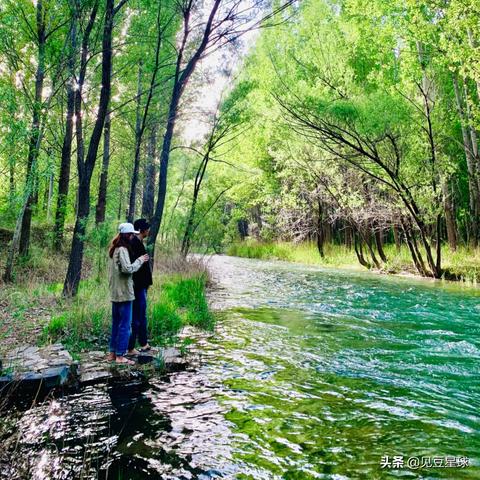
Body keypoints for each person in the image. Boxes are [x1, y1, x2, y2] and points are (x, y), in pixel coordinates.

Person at [108, 222, 149, 364]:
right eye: (131, 234)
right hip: (124, 293)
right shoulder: (122, 250)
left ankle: (112, 353)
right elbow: (127, 269)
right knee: (125, 325)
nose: (133, 236)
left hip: (115, 293)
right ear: (126, 235)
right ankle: (120, 355)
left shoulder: (114, 249)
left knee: (116, 324)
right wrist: (140, 260)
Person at [127, 218, 153, 354]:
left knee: (142, 315)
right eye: (147, 228)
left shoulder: (138, 242)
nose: (149, 230)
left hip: (141, 286)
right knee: (137, 316)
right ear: (142, 230)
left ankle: (143, 343)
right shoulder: (134, 243)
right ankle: (131, 347)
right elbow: (134, 267)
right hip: (137, 286)